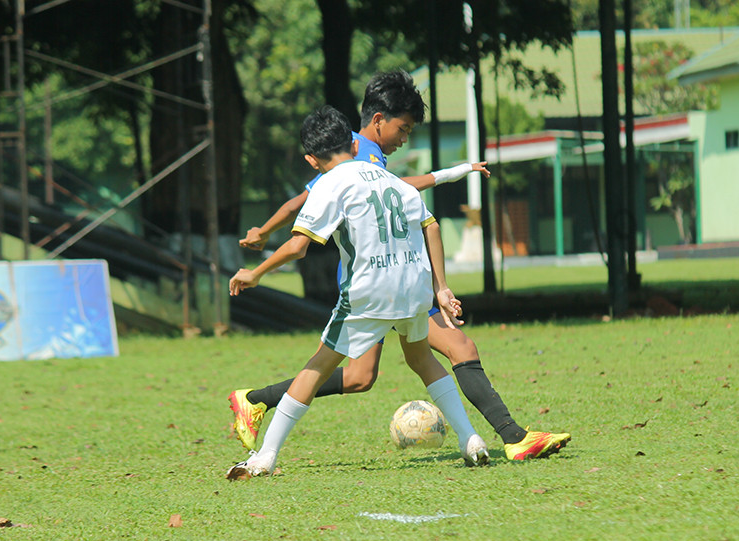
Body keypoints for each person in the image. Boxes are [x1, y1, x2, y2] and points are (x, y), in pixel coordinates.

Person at [231, 70, 571, 462]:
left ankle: (259, 420)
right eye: (403, 128)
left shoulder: (357, 162)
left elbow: (305, 226)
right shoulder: (359, 156)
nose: (405, 137)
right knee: (427, 355)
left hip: (377, 281)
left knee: (352, 372)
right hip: (393, 276)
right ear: (376, 121)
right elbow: (308, 204)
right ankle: (504, 437)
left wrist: (258, 260)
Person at [226, 105, 489, 477]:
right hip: (414, 287)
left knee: (318, 366)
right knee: (421, 359)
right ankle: (470, 438)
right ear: (353, 144)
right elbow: (430, 225)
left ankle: (265, 457)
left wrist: (255, 273)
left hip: (369, 292)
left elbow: (298, 247)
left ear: (311, 160)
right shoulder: (392, 179)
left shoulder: (329, 184)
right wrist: (441, 288)